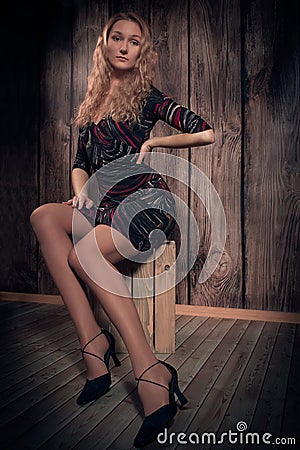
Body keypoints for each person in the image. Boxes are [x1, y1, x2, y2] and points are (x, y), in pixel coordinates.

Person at [30, 11, 215, 448]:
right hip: (102, 204)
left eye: (134, 41)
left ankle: (151, 371)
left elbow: (206, 133)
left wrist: (154, 143)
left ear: (141, 51)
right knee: (43, 216)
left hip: (144, 204)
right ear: (105, 43)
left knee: (84, 255)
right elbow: (80, 163)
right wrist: (82, 193)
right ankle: (94, 344)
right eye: (118, 38)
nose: (124, 46)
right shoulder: (93, 100)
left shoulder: (148, 98)